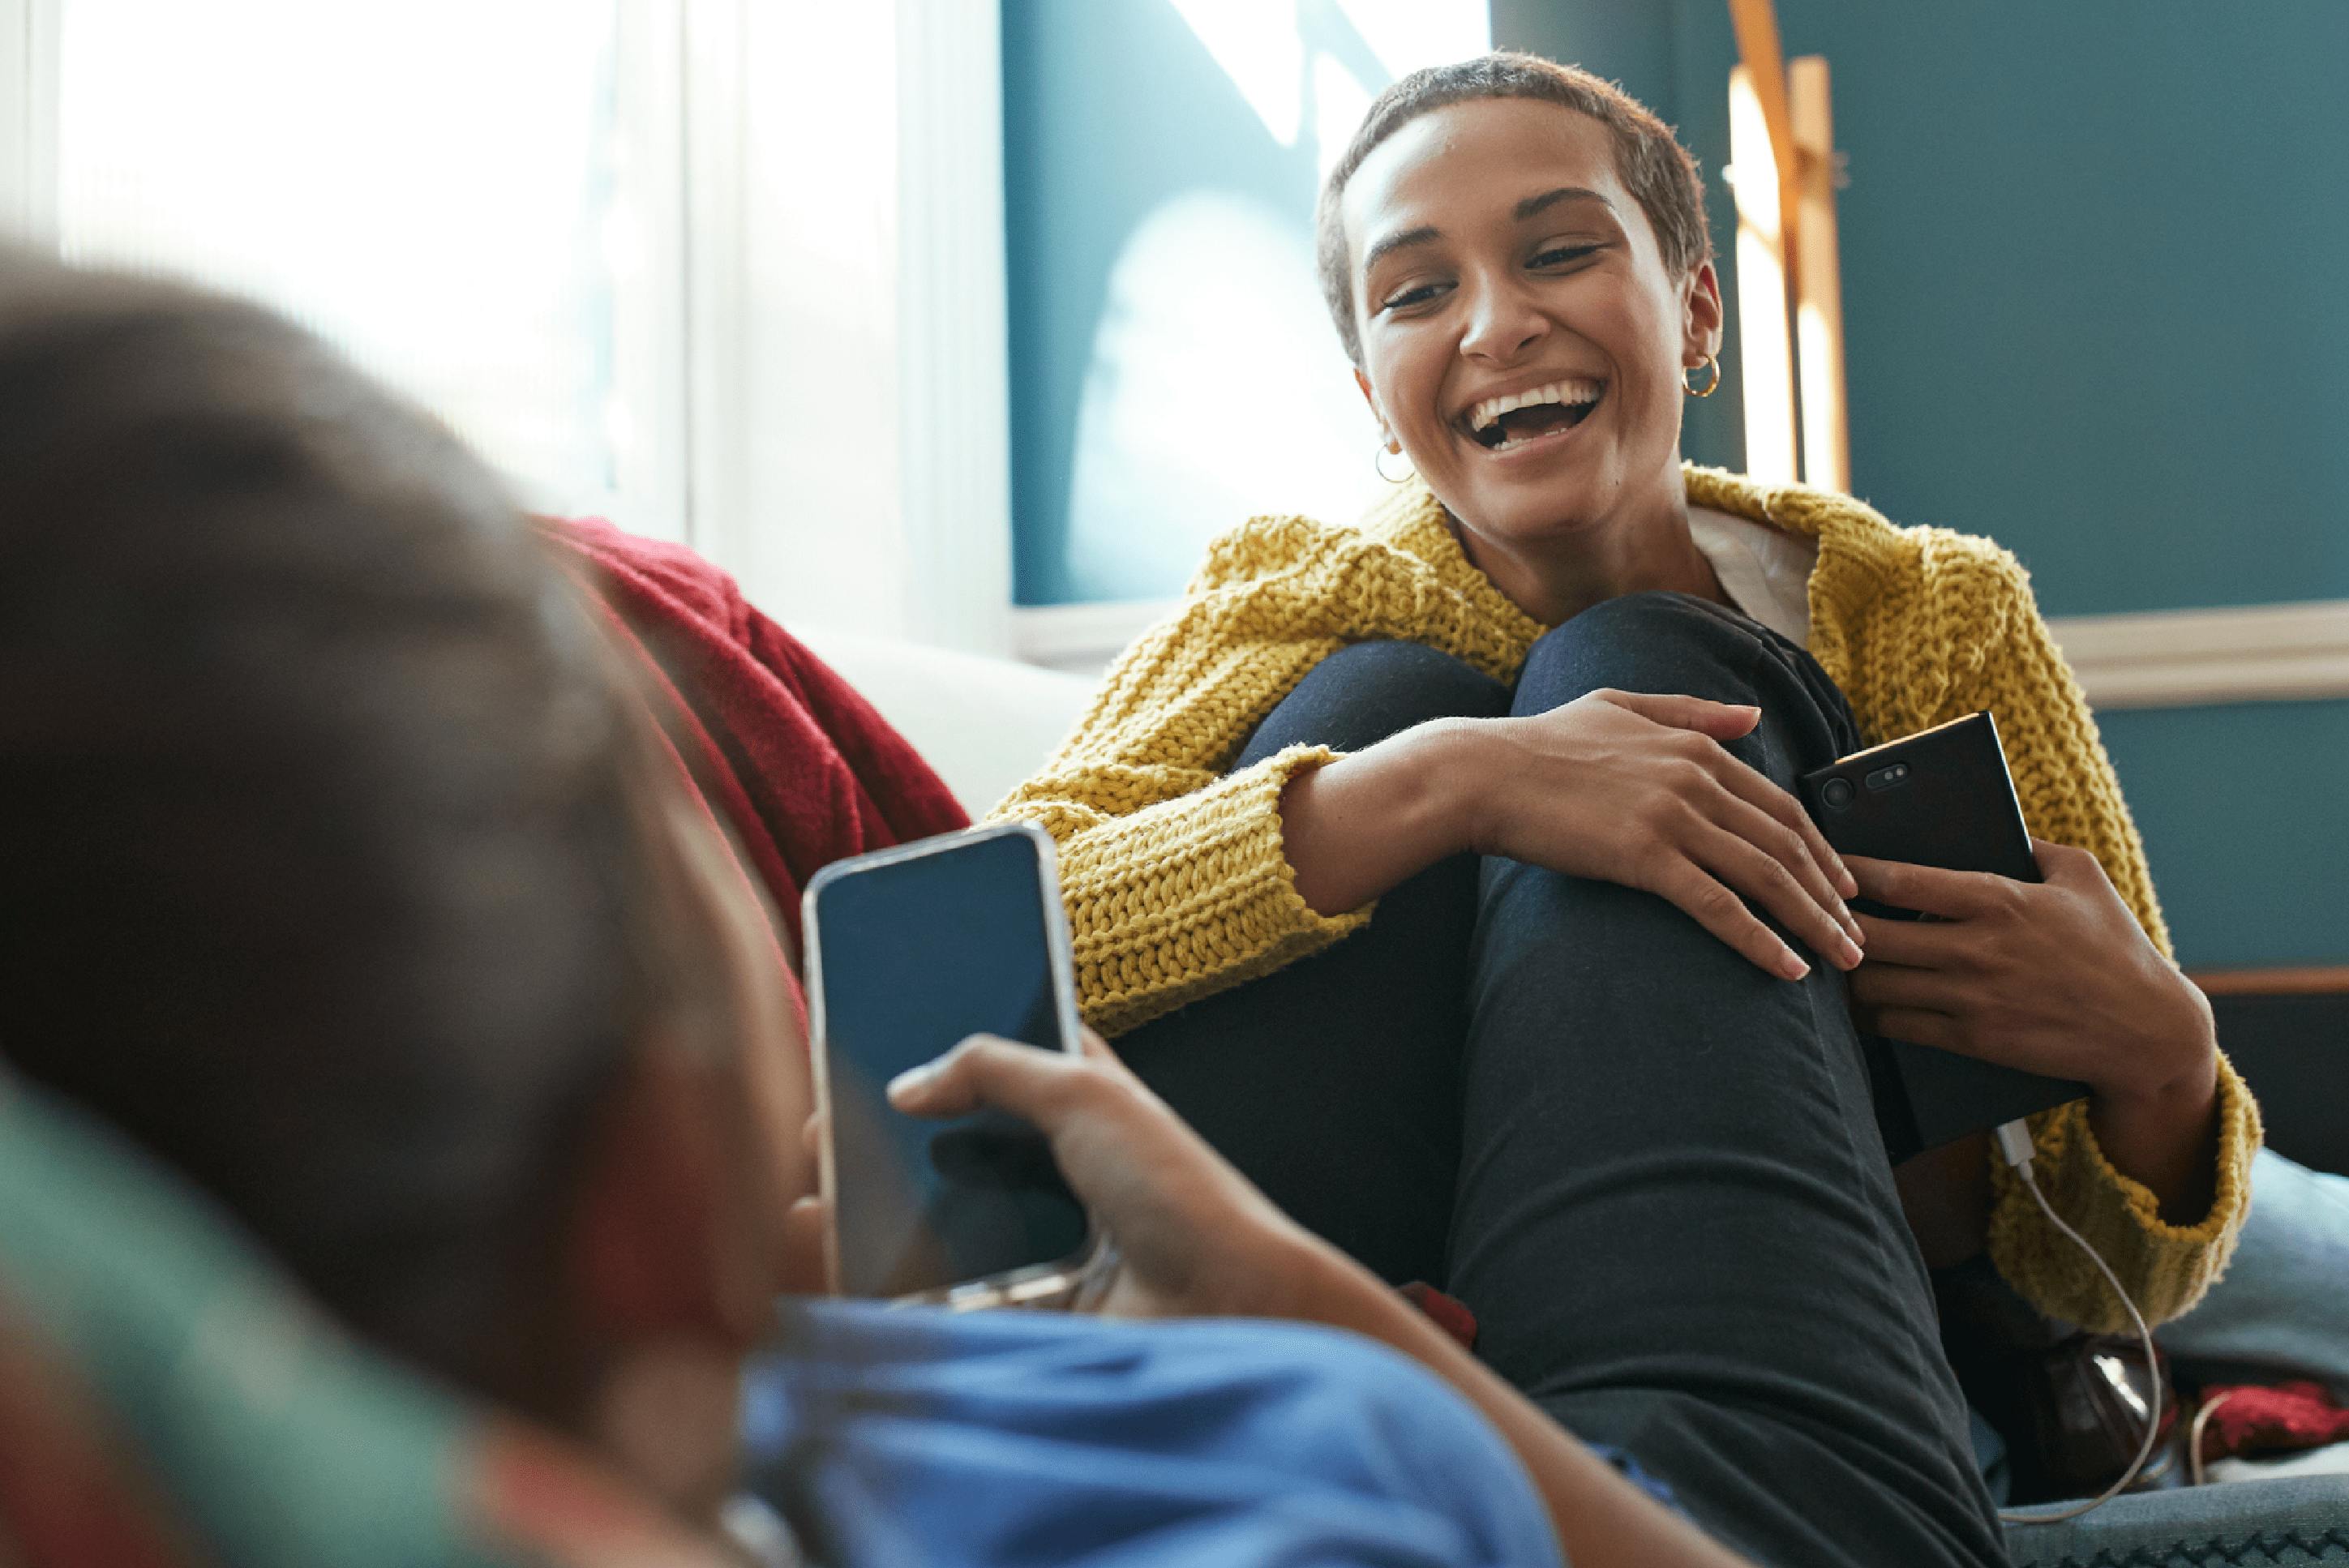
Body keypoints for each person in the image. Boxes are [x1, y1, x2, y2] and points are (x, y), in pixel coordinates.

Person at [0, 255, 1752, 1566]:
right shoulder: (1279, 1460)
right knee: (1589, 666)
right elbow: (1041, 898)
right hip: (1677, 1472)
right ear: (651, 1169)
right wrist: (1285, 1287)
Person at [991, 52, 2261, 1567]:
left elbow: (2120, 1273)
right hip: (1362, 1291)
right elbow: (969, 950)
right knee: (1389, 700)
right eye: (1413, 292)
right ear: (1373, 402)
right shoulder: (1290, 603)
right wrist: (1441, 784)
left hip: (1804, 1344)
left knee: (1629, 665)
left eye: (1558, 249)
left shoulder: (1929, 619)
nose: (1494, 320)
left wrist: (2162, 1060)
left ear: (1696, 306)